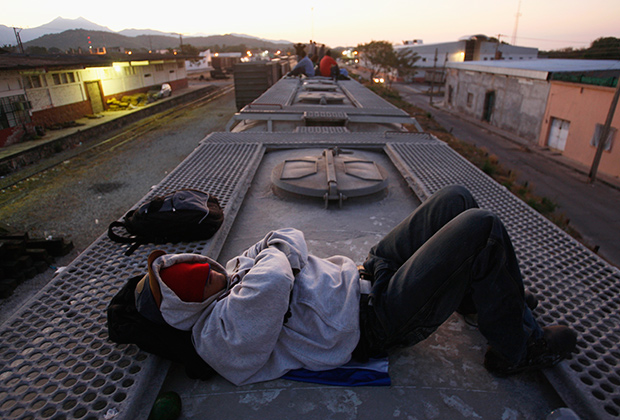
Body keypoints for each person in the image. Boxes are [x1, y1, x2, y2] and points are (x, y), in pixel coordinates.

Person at [130, 185, 577, 386]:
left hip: (368, 272)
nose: (210, 272)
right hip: (376, 320)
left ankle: (481, 297)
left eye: (198, 267)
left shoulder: (231, 273)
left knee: (456, 199)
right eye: (197, 283)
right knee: (482, 226)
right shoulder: (216, 337)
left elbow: (287, 236)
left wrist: (277, 257)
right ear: (186, 309)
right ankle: (518, 349)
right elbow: (275, 276)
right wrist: (278, 258)